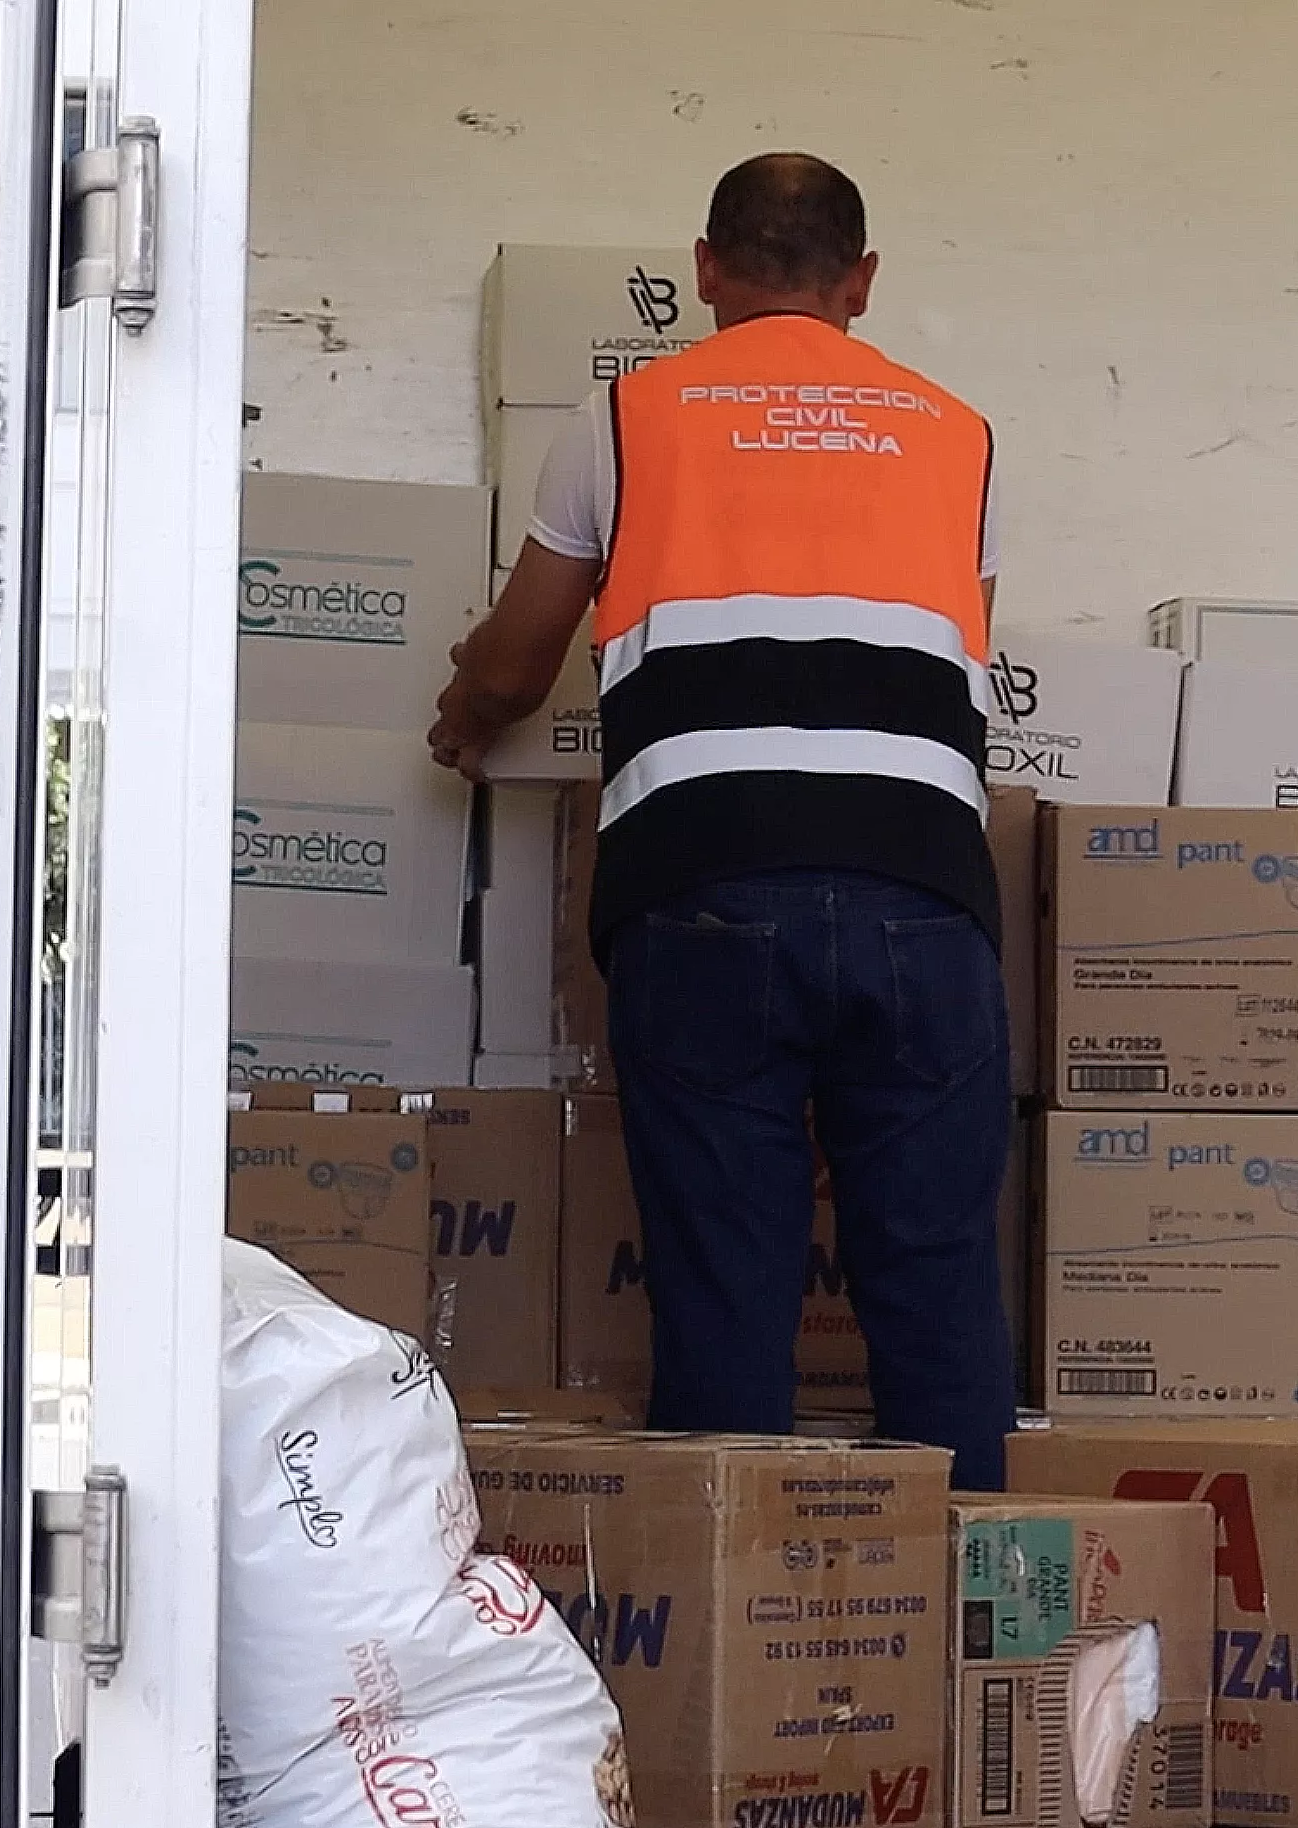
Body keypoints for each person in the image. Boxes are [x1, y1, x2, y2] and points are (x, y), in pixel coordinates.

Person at [429, 152, 1014, 1488]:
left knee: (723, 1287)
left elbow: (519, 660)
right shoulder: (956, 435)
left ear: (705, 268)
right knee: (933, 1285)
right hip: (922, 896)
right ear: (860, 281)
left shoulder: (624, 420)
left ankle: (746, 1670)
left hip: (701, 892)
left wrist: (466, 714)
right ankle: (975, 1649)